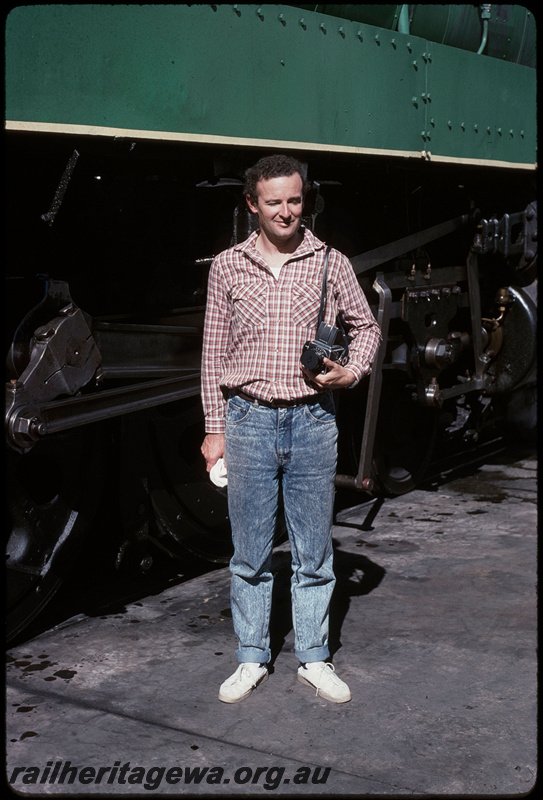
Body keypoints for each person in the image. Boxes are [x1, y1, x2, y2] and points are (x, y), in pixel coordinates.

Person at [200, 154, 381, 704]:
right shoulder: (227, 266)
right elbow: (213, 353)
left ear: (307, 201)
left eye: (295, 200)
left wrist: (353, 369)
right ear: (252, 204)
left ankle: (314, 658)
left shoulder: (332, 262)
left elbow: (366, 326)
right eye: (273, 201)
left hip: (312, 420)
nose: (286, 211)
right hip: (248, 420)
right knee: (250, 551)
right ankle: (252, 656)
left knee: (313, 551)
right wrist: (214, 428)